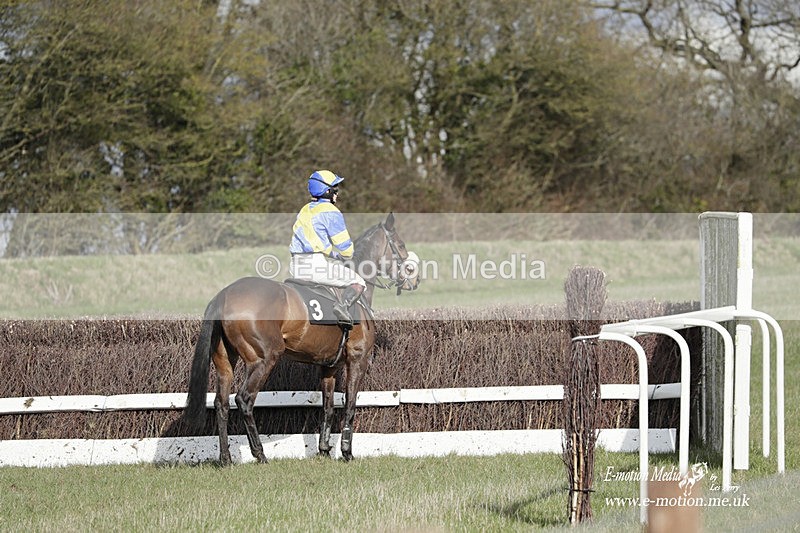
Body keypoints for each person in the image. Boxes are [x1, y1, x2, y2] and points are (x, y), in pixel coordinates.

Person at [289, 170, 366, 326]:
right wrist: (346, 256)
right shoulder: (331, 211)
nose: (337, 193)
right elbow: (345, 247)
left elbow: (314, 243)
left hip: (295, 267)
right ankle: (342, 308)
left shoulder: (305, 209)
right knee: (359, 282)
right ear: (327, 191)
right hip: (315, 267)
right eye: (335, 189)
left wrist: (334, 256)